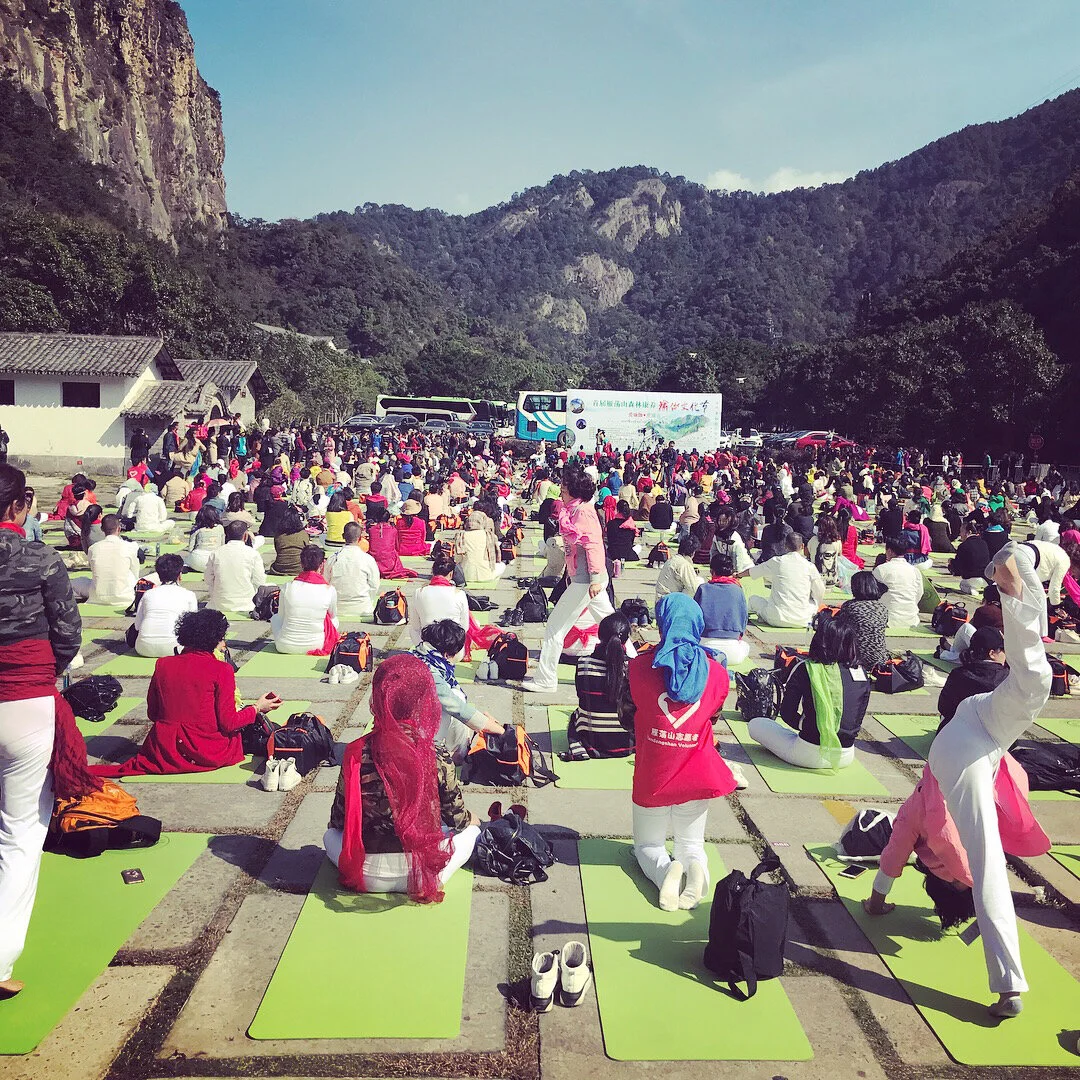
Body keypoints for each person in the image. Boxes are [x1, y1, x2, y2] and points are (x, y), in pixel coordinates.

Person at [921, 548, 1052, 1017]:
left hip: (975, 726)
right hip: (971, 742)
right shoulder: (939, 801)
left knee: (1033, 679)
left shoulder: (926, 809)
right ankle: (1008, 985)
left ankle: (1017, 574)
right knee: (988, 862)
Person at [0, 463, 87, 999]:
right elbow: (68, 631)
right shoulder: (39, 557)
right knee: (20, 831)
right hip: (26, 699)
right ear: (19, 506)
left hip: (25, 690)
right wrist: (43, 673)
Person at [323, 653, 481, 901]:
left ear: (378, 698)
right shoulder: (436, 754)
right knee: (471, 833)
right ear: (424, 701)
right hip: (425, 872)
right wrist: (474, 821)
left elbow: (338, 821)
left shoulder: (355, 752)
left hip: (366, 873)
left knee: (329, 837)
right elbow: (457, 819)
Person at [618, 593, 738, 910]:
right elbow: (713, 717)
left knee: (647, 845)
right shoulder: (717, 673)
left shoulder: (638, 667)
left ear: (662, 625)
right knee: (692, 844)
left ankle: (664, 872)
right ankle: (695, 870)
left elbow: (626, 717)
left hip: (653, 774)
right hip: (698, 774)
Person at [92, 609, 282, 778]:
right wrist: (257, 708)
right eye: (222, 638)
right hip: (207, 751)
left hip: (164, 750)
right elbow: (229, 723)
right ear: (215, 639)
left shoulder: (163, 664)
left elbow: (153, 713)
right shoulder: (221, 669)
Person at [524, 467, 614, 693]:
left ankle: (545, 679)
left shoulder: (582, 512)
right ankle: (633, 663)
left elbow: (593, 545)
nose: (561, 493)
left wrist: (594, 579)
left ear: (574, 492)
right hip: (585, 579)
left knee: (555, 627)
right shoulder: (575, 510)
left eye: (564, 490)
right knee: (612, 626)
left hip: (587, 581)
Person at [748, 612, 871, 770]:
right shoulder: (861, 673)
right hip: (845, 756)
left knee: (756, 724)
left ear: (819, 641)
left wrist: (808, 727)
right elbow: (857, 715)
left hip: (808, 753)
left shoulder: (806, 668)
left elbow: (787, 713)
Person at [412, 620, 503, 761]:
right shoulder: (431, 674)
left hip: (390, 725)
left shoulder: (415, 655)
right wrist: (499, 730)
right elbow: (458, 708)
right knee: (456, 698)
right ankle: (457, 754)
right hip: (410, 736)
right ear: (447, 654)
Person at [567, 612, 635, 759]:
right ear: (626, 639)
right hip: (627, 744)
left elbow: (581, 696)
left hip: (592, 742)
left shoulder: (583, 664)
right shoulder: (634, 668)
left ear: (599, 635)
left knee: (576, 715)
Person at [746, 532, 825, 628]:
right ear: (802, 546)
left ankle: (760, 615)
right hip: (802, 620)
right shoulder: (809, 566)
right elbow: (820, 590)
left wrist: (738, 575)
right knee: (814, 603)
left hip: (776, 618)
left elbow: (753, 571)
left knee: (753, 599)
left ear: (785, 546)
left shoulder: (777, 561)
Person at [271, 545, 340, 654]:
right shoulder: (329, 590)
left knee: (275, 618)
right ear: (322, 565)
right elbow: (332, 615)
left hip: (285, 645)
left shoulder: (288, 586)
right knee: (334, 620)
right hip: (317, 644)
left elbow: (281, 617)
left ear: (301, 564)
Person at [937, 626, 1009, 728]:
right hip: (989, 735)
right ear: (992, 653)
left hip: (953, 732)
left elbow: (943, 707)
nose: (1006, 654)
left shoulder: (957, 674)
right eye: (1004, 649)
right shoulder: (1006, 679)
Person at [130, 553, 198, 657]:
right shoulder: (189, 595)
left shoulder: (148, 594)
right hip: (175, 648)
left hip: (144, 647)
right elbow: (192, 628)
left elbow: (137, 625)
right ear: (179, 574)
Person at [72, 513, 141, 606]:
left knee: (76, 582)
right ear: (119, 528)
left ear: (102, 529)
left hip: (98, 595)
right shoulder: (130, 546)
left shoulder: (93, 548)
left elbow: (94, 571)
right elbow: (135, 572)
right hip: (125, 595)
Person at [694, 550, 749, 664]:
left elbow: (694, 618)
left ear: (712, 571)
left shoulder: (703, 588)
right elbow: (743, 620)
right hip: (733, 654)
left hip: (705, 650)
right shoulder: (738, 590)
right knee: (745, 646)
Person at [205, 520, 267, 614]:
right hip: (247, 604)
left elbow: (208, 579)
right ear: (245, 536)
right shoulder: (252, 553)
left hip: (219, 603)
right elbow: (259, 581)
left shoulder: (216, 553)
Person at [408, 554, 470, 646]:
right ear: (451, 574)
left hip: (428, 645)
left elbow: (415, 626)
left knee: (412, 629)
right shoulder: (459, 594)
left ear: (433, 572)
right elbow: (464, 627)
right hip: (452, 647)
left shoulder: (419, 592)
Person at [326, 521, 381, 619]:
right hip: (363, 608)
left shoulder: (332, 558)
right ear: (360, 538)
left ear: (343, 536)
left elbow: (325, 583)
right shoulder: (368, 559)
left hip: (338, 609)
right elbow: (374, 585)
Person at [839, 571, 890, 671]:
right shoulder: (882, 608)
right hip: (879, 659)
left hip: (855, 657)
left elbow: (841, 630)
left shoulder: (849, 606)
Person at [873, 536, 923, 629]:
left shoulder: (881, 569)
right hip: (912, 619)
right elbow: (919, 594)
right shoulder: (914, 570)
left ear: (889, 551)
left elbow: (871, 594)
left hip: (887, 619)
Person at [366, 504, 417, 579]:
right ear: (388, 518)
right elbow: (396, 546)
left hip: (374, 562)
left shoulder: (371, 530)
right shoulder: (393, 530)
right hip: (389, 562)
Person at [455, 514, 504, 583]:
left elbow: (457, 558)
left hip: (464, 576)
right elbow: (497, 557)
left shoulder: (461, 535)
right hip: (486, 576)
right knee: (502, 565)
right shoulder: (488, 535)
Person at [655, 535, 704, 600]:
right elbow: (692, 589)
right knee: (699, 581)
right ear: (693, 553)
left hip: (661, 599)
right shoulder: (684, 564)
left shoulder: (672, 559)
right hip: (671, 601)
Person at [950, 522, 991, 595]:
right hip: (987, 578)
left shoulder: (963, 546)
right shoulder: (983, 543)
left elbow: (958, 568)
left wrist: (951, 562)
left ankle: (972, 590)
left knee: (962, 584)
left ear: (969, 532)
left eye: (961, 531)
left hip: (973, 578)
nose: (960, 534)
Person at [184, 506, 225, 573]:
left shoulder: (196, 528)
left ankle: (190, 567)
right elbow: (222, 546)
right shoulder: (220, 527)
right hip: (214, 560)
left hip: (196, 558)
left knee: (185, 560)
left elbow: (190, 548)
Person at [270, 508, 310, 577]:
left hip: (280, 568)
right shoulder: (303, 533)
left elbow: (278, 550)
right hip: (299, 568)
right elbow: (307, 551)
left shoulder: (279, 535)